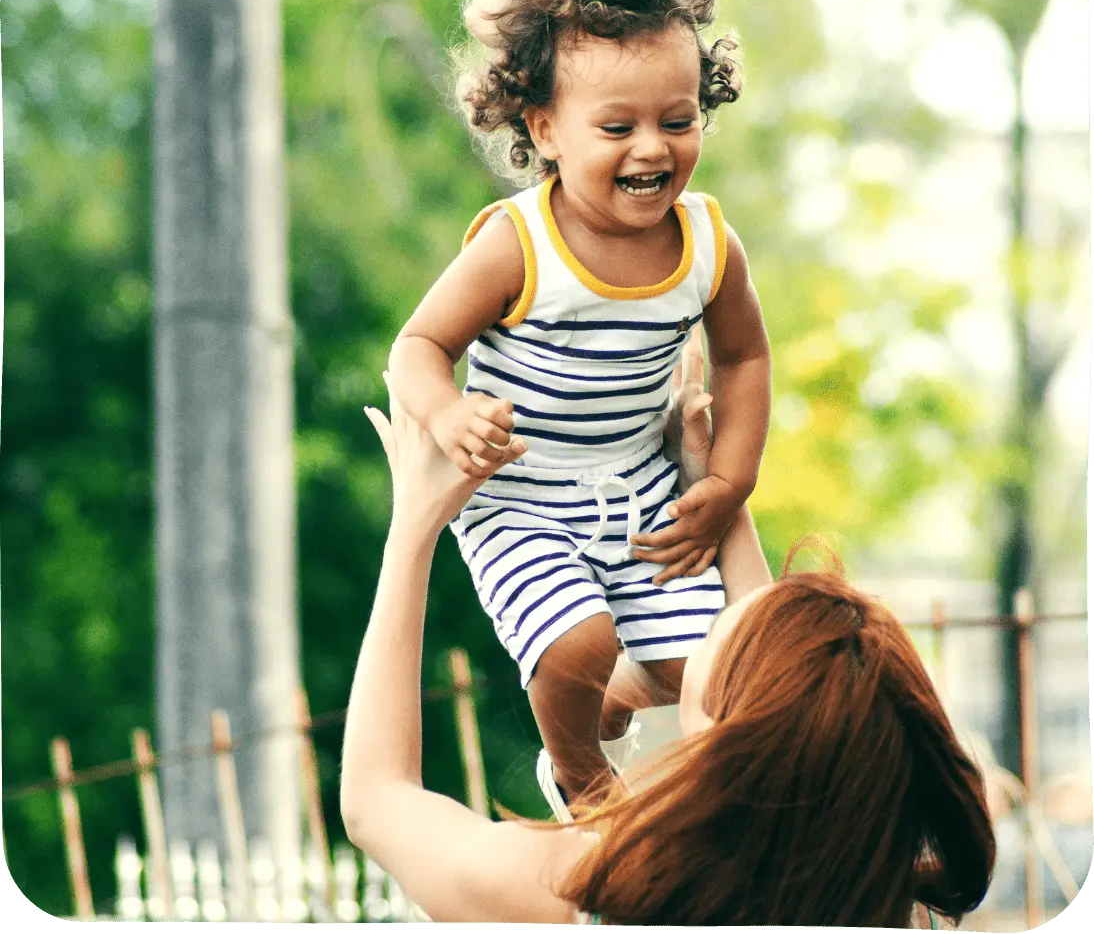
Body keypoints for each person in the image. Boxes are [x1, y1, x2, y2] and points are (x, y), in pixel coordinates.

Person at [341, 372, 996, 927]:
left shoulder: (602, 888)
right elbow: (780, 699)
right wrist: (708, 484)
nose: (716, 615)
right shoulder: (881, 901)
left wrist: (413, 528)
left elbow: (377, 801)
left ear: (723, 734)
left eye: (722, 631)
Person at [385, 0, 771, 817]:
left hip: (638, 484)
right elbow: (417, 346)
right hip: (520, 494)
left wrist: (727, 484)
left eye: (677, 121)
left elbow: (747, 361)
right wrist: (448, 412)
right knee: (575, 645)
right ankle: (582, 782)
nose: (653, 149)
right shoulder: (518, 245)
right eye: (617, 127)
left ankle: (615, 700)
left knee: (699, 667)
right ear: (543, 128)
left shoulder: (709, 244)